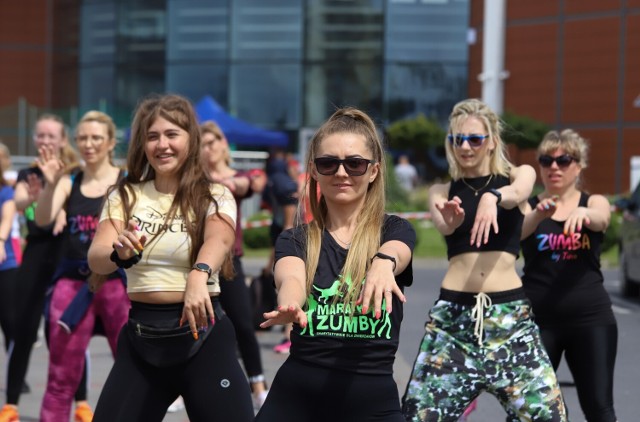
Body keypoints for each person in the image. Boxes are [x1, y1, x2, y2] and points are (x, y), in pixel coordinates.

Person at [87, 94, 253, 422]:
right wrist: (118, 254)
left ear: (190, 139)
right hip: (142, 337)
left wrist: (199, 274)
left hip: (204, 335)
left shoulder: (214, 193)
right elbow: (96, 258)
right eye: (152, 136)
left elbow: (220, 239)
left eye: (172, 134)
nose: (162, 144)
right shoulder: (125, 195)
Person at [401, 98, 567, 421]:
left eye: (474, 139)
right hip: (454, 322)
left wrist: (493, 197)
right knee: (418, 416)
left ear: (491, 142)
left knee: (548, 416)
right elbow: (443, 224)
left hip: (509, 320)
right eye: (457, 139)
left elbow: (519, 193)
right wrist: (451, 220)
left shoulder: (519, 174)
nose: (465, 147)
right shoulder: (441, 189)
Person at [254, 107, 416, 422]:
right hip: (298, 394)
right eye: (329, 163)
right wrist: (289, 305)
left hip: (372, 399)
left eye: (355, 164)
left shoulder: (394, 231)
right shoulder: (295, 239)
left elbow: (398, 250)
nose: (341, 173)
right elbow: (292, 280)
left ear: (373, 171)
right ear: (314, 170)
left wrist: (383, 263)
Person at [35, 110, 129, 422]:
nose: (88, 144)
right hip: (73, 284)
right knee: (61, 377)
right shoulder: (70, 180)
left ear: (110, 143)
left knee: (130, 369)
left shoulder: (126, 182)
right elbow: (43, 219)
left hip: (116, 283)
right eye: (83, 138)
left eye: (96, 138)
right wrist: (49, 185)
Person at [520, 129, 617, 422]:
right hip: (539, 321)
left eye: (564, 160)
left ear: (579, 165)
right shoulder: (530, 205)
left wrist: (586, 215)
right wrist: (538, 215)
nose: (554, 167)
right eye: (546, 160)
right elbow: (517, 232)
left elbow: (603, 219)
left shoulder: (593, 201)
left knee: (599, 407)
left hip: (591, 319)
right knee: (534, 410)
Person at [0, 115, 92, 422]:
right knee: (21, 330)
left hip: (68, 255)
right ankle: (11, 404)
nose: (45, 141)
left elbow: (79, 204)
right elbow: (21, 200)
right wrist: (34, 198)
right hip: (37, 254)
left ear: (63, 139)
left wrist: (63, 210)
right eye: (40, 136)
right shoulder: (30, 173)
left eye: (51, 136)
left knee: (67, 332)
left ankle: (81, 402)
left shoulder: (77, 173)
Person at [200, 120, 270, 411]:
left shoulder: (235, 178)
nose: (209, 148)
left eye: (213, 142)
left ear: (223, 145)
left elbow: (248, 183)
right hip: (198, 261)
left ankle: (258, 385)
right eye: (202, 144)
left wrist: (231, 183)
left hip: (230, 260)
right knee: (197, 326)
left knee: (243, 324)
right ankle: (181, 387)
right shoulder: (194, 179)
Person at [262, 150, 299, 354]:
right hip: (285, 236)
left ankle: (289, 336)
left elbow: (287, 223)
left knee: (293, 286)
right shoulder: (284, 182)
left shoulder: (281, 185)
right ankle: (288, 334)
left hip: (291, 239)